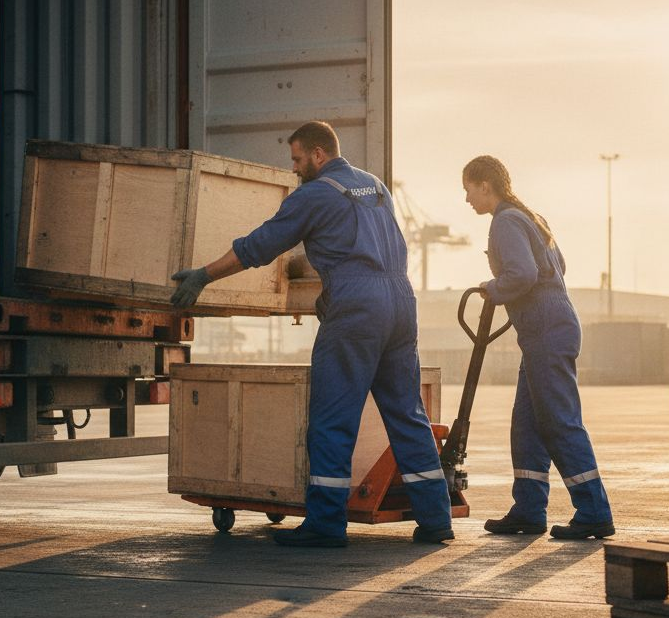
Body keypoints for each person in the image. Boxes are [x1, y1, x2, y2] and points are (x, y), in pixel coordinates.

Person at [171, 121, 454, 547]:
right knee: (406, 413)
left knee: (332, 418)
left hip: (357, 308)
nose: (295, 168)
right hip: (399, 299)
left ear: (319, 154)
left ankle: (325, 523)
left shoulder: (316, 194)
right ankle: (436, 519)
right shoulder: (375, 186)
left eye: (298, 159)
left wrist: (203, 275)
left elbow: (260, 245)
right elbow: (365, 246)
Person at [462, 155, 615, 539]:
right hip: (546, 330)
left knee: (558, 421)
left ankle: (594, 510)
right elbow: (557, 265)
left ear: (485, 185)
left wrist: (493, 289)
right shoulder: (529, 216)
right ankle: (529, 509)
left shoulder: (505, 221)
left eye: (468, 190)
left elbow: (524, 274)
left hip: (547, 332)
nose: (467, 200)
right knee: (527, 425)